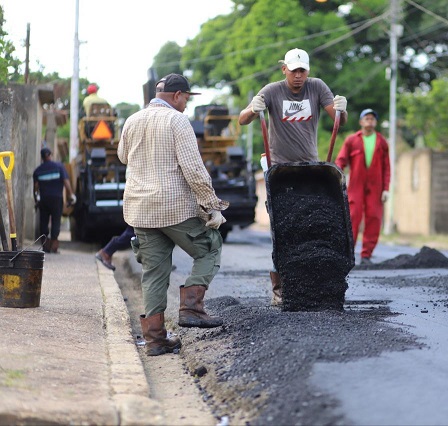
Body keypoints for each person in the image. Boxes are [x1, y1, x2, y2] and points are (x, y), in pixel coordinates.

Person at [118, 73, 229, 357]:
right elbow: (193, 169)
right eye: (186, 100)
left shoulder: (132, 120)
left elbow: (122, 156)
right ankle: (191, 308)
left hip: (139, 210)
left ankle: (155, 340)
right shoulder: (178, 121)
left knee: (154, 274)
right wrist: (211, 205)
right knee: (210, 248)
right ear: (178, 96)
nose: (186, 106)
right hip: (173, 207)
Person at [238, 47, 348, 306]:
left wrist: (342, 110)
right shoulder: (272, 90)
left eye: (302, 70)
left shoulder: (317, 87)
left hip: (310, 168)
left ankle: (318, 281)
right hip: (280, 170)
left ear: (307, 71)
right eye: (294, 70)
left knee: (312, 227)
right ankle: (280, 287)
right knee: (282, 229)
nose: (298, 75)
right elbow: (242, 120)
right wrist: (254, 109)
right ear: (284, 69)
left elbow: (338, 121)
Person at [336, 108, 390, 265]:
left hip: (376, 186)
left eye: (372, 119)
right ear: (361, 122)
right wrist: (338, 176)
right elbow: (341, 160)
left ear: (376, 123)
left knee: (374, 217)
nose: (370, 121)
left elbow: (387, 167)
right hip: (356, 185)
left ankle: (366, 255)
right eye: (366, 118)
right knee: (353, 217)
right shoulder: (352, 140)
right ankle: (348, 254)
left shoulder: (382, 142)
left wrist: (386, 188)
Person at [33, 147, 76, 253]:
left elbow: (35, 189)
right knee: (56, 221)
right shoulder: (59, 167)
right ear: (51, 155)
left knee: (44, 222)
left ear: (42, 157)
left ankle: (45, 246)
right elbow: (66, 182)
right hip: (57, 199)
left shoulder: (38, 171)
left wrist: (36, 200)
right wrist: (71, 195)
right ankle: (54, 246)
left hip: (44, 199)